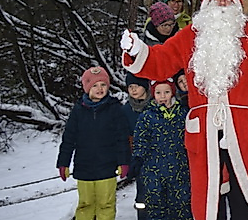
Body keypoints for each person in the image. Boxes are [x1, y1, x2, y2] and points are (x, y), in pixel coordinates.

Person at [120, 0, 248, 220]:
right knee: (208, 199)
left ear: (237, 4)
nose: (222, 3)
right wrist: (137, 50)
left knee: (244, 196)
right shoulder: (189, 36)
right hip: (203, 132)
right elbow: (159, 62)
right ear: (206, 4)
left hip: (242, 130)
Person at [57, 67, 130, 220]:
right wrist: (63, 163)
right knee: (86, 204)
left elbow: (121, 138)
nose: (99, 89)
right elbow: (69, 139)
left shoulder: (115, 109)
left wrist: (123, 162)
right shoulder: (78, 111)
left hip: (108, 167)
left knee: (106, 204)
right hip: (84, 168)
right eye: (95, 85)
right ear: (87, 88)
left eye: (103, 85)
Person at [133, 79, 191, 220]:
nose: (163, 96)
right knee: (156, 209)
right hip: (154, 172)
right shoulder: (147, 116)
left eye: (166, 92)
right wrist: (138, 159)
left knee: (181, 207)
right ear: (153, 94)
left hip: (179, 170)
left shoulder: (182, 114)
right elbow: (140, 140)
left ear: (172, 93)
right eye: (158, 93)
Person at [122, 73, 151, 219]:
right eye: (130, 87)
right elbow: (123, 136)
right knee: (143, 196)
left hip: (158, 157)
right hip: (139, 159)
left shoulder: (155, 104)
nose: (133, 90)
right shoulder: (126, 110)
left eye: (137, 86)